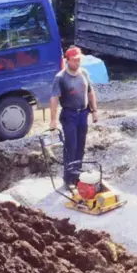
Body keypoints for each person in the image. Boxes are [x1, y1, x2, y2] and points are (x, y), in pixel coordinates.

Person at [49, 46, 99, 188]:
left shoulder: (84, 73)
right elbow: (54, 98)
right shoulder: (61, 78)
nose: (78, 62)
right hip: (69, 115)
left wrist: (94, 110)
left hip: (83, 113)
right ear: (68, 60)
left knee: (81, 146)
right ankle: (68, 178)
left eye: (79, 59)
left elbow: (90, 92)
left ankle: (78, 176)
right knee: (71, 146)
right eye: (75, 60)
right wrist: (53, 120)